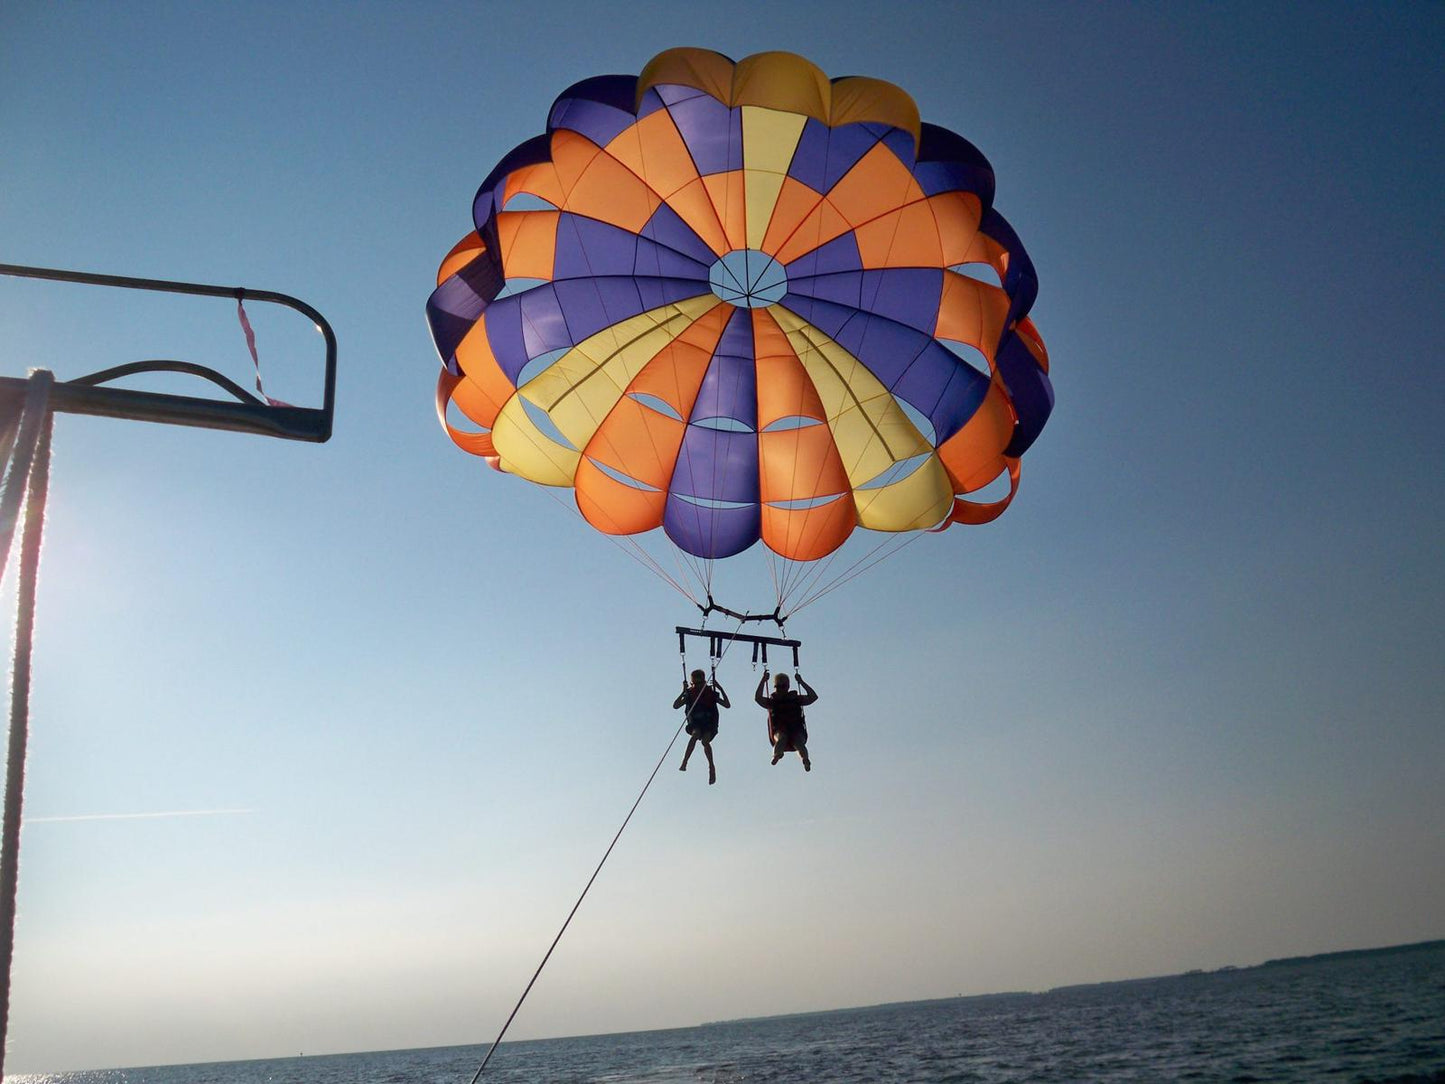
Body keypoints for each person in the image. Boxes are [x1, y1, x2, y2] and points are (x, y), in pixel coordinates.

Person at [755, 670, 818, 771]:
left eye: (783, 686)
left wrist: (801, 682)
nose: (780, 689)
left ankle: (805, 759)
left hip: (796, 729)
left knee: (798, 743)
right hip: (780, 730)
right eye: (777, 687)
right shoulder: (772, 702)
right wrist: (763, 680)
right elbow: (758, 698)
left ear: (788, 687)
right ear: (774, 687)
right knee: (781, 738)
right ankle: (777, 755)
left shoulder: (795, 699)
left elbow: (813, 697)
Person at [674, 669, 729, 784]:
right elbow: (676, 705)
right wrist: (683, 691)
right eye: (696, 684)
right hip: (696, 722)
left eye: (700, 683)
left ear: (704, 682)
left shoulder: (710, 693)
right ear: (692, 683)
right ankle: (685, 761)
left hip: (709, 722)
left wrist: (720, 688)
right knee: (695, 735)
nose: (698, 686)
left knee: (705, 742)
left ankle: (711, 767)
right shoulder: (690, 694)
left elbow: (727, 705)